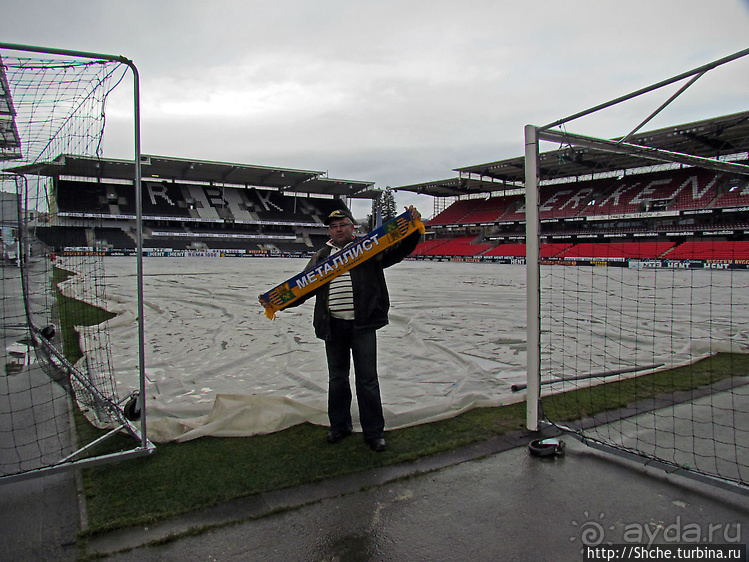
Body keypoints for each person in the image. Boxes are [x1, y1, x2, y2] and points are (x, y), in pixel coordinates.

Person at [261, 206, 422, 452]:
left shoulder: (369, 249)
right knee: (337, 380)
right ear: (330, 231)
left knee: (368, 381)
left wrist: (412, 227)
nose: (338, 229)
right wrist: (276, 302)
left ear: (352, 227)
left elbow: (398, 250)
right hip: (332, 326)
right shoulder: (321, 256)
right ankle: (339, 426)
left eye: (343, 225)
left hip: (363, 325)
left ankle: (374, 433)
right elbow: (303, 287)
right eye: (334, 226)